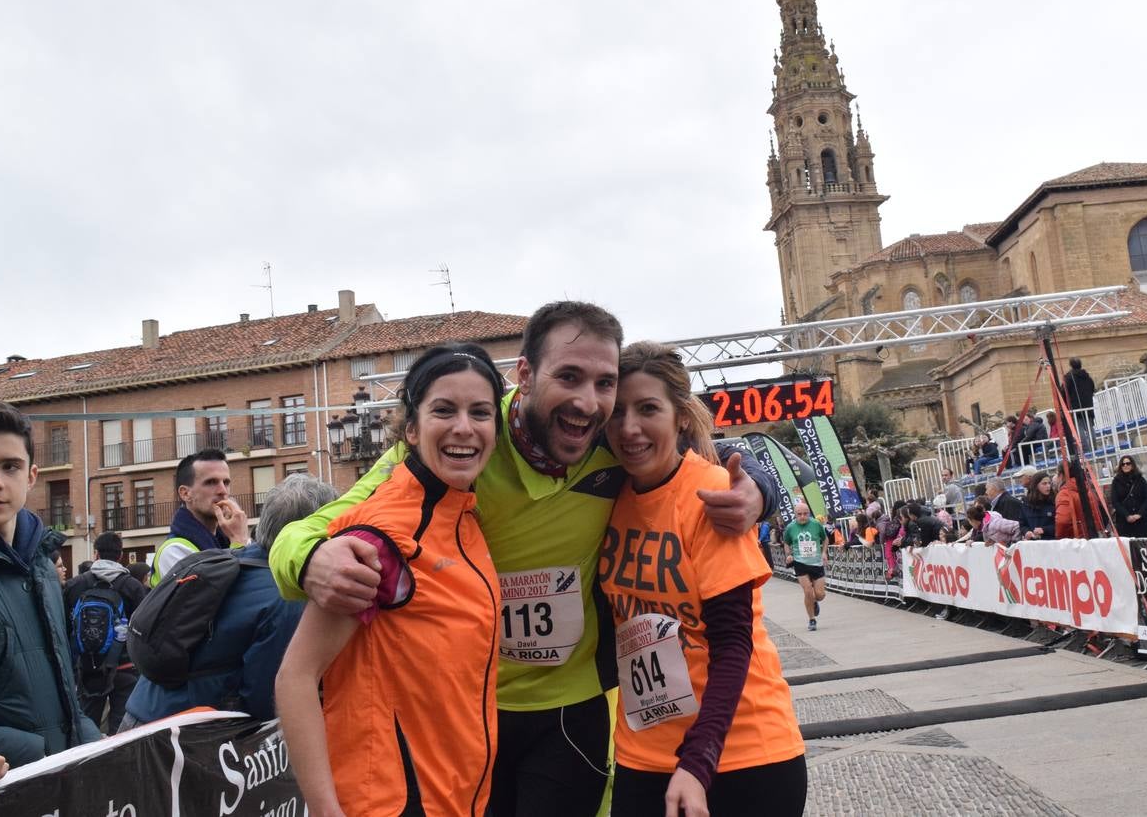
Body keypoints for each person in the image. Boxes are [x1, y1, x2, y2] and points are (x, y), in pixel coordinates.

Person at [270, 302, 776, 817]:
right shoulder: (464, 439)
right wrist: (311, 560)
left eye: (604, 382)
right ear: (526, 375)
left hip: (569, 708)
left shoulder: (609, 439)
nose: (587, 401)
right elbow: (308, 530)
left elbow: (709, 452)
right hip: (468, 711)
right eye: (569, 376)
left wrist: (760, 489)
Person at [278, 345, 505, 817]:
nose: (464, 427)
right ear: (412, 428)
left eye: (480, 413)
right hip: (391, 801)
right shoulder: (385, 533)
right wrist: (325, 809)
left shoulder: (461, 517)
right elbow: (296, 677)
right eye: (444, 410)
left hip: (456, 797)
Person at [598, 342, 806, 817]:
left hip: (741, 754)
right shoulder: (605, 494)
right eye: (617, 412)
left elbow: (733, 644)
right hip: (642, 754)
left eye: (648, 409)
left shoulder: (714, 495)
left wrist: (697, 761)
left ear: (682, 418)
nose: (629, 428)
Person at [122, 473, 328, 729]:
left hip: (143, 712)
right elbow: (266, 698)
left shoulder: (228, 559)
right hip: (178, 738)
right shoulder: (285, 596)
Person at [0, 399, 100, 766]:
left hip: (60, 787)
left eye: (10, 466)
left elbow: (62, 692)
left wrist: (91, 740)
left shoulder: (41, 567)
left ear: (31, 476)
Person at [62, 530, 149, 733]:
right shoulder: (133, 587)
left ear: (96, 554)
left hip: (88, 665)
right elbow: (144, 625)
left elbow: (65, 624)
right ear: (120, 555)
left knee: (87, 727)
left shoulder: (77, 584)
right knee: (123, 730)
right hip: (126, 666)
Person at [151, 448, 251, 584]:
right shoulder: (174, 551)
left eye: (226, 482)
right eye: (211, 482)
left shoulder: (230, 539)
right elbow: (218, 596)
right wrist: (239, 541)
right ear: (185, 494)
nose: (223, 491)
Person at [782, 499, 828, 631]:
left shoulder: (816, 524)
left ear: (809, 514)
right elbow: (786, 543)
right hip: (800, 562)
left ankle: (815, 602)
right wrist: (789, 555)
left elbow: (825, 539)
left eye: (805, 514)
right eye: (799, 514)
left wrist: (824, 553)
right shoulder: (790, 527)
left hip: (816, 562)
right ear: (795, 515)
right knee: (808, 591)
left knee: (819, 595)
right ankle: (812, 620)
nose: (802, 516)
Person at [1109, 455, 1147, 536]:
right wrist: (1127, 515)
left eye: (1128, 463)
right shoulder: (1116, 482)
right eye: (1123, 464)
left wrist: (1139, 514)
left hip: (1142, 522)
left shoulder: (1140, 480)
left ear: (1132, 465)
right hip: (1124, 523)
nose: (1125, 465)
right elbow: (1115, 501)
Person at [1019, 472, 1057, 540]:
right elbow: (1022, 524)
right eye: (1044, 483)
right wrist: (1026, 532)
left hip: (1052, 543)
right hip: (1033, 545)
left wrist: (1044, 530)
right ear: (1036, 485)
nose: (1048, 486)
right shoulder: (1025, 503)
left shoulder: (1054, 501)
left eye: (1049, 483)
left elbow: (1060, 525)